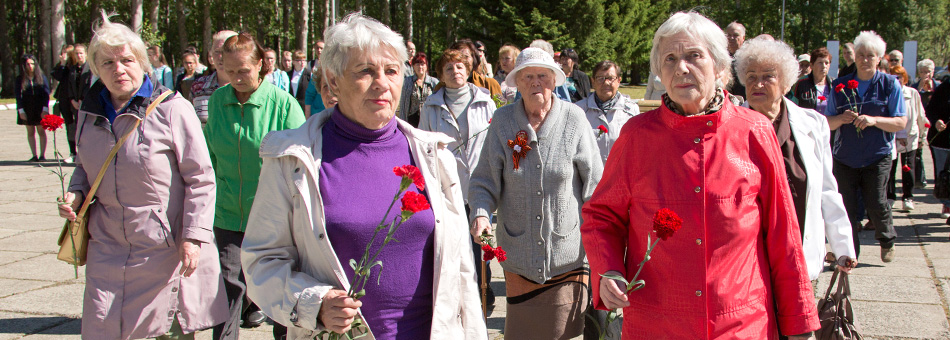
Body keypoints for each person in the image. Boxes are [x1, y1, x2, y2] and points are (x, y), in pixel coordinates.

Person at [241, 13, 487, 340]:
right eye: (365, 71)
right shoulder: (291, 160)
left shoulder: (435, 156)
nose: (382, 83)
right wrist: (315, 303)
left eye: (391, 70)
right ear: (332, 79)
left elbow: (462, 273)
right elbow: (261, 262)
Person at [581, 12, 820, 339]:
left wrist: (800, 324)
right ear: (660, 74)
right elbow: (601, 215)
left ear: (720, 67)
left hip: (741, 325)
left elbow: (784, 238)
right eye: (670, 58)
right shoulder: (636, 137)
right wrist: (608, 269)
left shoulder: (754, 132)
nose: (681, 67)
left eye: (694, 55)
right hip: (656, 325)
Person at [56, 13, 228, 339]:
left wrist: (193, 237)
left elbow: (201, 179)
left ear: (143, 62)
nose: (118, 69)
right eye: (107, 63)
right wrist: (75, 194)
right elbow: (84, 166)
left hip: (163, 254)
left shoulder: (172, 109)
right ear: (95, 69)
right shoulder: (89, 113)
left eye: (126, 60)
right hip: (107, 252)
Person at [468, 47, 602, 339]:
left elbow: (595, 185)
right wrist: (479, 214)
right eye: (527, 76)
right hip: (519, 258)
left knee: (565, 334)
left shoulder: (574, 119)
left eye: (542, 75)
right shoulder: (503, 122)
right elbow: (483, 181)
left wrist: (602, 242)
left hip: (567, 258)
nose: (535, 82)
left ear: (554, 81)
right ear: (517, 82)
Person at [203, 32, 305, 340]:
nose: (236, 78)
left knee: (280, 291)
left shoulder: (283, 104)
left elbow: (302, 160)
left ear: (260, 65)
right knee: (228, 290)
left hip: (275, 218)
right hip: (228, 214)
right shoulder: (218, 101)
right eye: (229, 71)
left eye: (243, 71)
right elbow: (208, 156)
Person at [734, 37, 857, 284]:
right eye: (750, 76)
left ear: (786, 82)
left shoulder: (813, 123)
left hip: (798, 251)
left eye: (768, 76)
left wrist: (842, 247)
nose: (758, 83)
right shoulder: (729, 126)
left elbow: (826, 189)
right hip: (745, 261)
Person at [824, 31, 907, 262]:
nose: (865, 59)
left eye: (870, 55)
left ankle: (887, 238)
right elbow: (827, 123)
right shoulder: (840, 86)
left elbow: (900, 121)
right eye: (860, 55)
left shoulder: (890, 85)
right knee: (846, 208)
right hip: (845, 156)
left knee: (876, 202)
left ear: (879, 58)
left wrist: (873, 120)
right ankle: (850, 254)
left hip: (877, 155)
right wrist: (842, 118)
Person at [576, 60, 640, 163]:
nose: (606, 83)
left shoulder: (631, 111)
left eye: (610, 78)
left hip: (621, 174)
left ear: (618, 81)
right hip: (589, 175)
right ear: (593, 81)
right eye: (600, 78)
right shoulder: (579, 110)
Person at [884, 66, 928, 211]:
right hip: (893, 136)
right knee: (890, 168)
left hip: (910, 136)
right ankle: (890, 197)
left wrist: (923, 135)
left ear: (905, 78)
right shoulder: (887, 92)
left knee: (908, 167)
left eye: (900, 76)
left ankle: (908, 197)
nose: (897, 79)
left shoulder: (912, 93)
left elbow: (920, 115)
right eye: (894, 76)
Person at [191, 30, 238, 124]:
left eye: (226, 51)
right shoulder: (198, 86)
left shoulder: (249, 88)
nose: (220, 57)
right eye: (217, 51)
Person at [15, 54, 50, 162]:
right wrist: (20, 110)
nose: (30, 66)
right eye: (28, 64)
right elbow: (18, 95)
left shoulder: (41, 77)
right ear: (24, 66)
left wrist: (45, 109)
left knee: (41, 131)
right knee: (30, 132)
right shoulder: (20, 79)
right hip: (27, 107)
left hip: (39, 108)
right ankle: (34, 155)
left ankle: (42, 155)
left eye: (32, 64)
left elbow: (46, 93)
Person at [927, 79, 950, 221]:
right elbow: (930, 110)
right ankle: (947, 204)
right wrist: (936, 121)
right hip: (942, 140)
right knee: (944, 176)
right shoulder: (944, 87)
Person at [398, 52, 439, 127]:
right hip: (412, 121)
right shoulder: (407, 82)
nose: (420, 67)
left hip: (430, 120)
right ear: (413, 66)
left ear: (426, 66)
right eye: (417, 64)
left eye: (422, 64)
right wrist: (402, 125)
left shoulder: (434, 82)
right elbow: (403, 105)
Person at [50, 45, 76, 161]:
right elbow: (57, 76)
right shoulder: (63, 65)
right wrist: (62, 64)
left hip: (76, 99)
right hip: (64, 99)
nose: (62, 55)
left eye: (65, 53)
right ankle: (72, 152)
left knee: (80, 125)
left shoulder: (75, 67)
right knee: (69, 125)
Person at [789, 47, 834, 113]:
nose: (824, 66)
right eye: (820, 63)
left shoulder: (834, 84)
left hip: (830, 122)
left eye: (826, 63)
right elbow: (792, 107)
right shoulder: (801, 83)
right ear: (812, 65)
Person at [725, 21, 746, 99]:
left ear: (743, 38)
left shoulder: (747, 58)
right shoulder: (721, 56)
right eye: (729, 35)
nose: (731, 38)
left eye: (735, 35)